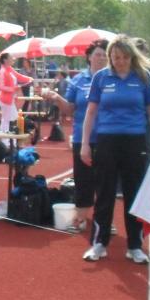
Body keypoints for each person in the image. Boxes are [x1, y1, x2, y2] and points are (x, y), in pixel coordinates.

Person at [80, 35, 150, 264]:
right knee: (104, 192)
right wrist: (85, 144)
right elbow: (91, 112)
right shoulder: (101, 77)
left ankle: (135, 246)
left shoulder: (143, 77)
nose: (120, 61)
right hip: (107, 140)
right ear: (110, 57)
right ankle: (99, 243)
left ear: (132, 56)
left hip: (134, 141)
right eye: (116, 57)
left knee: (133, 193)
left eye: (125, 57)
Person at [42, 39, 108, 232]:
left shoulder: (113, 78)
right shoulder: (78, 80)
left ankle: (104, 220)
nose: (102, 58)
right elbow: (69, 109)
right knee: (83, 179)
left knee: (106, 181)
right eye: (98, 54)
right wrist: (56, 98)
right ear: (89, 57)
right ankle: (81, 218)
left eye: (105, 55)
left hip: (107, 137)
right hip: (83, 138)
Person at [0, 52, 32, 132]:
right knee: (11, 119)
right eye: (10, 58)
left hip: (9, 99)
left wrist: (29, 79)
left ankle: (5, 137)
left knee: (6, 120)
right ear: (5, 60)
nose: (13, 59)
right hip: (5, 99)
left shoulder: (9, 69)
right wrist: (14, 88)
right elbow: (1, 87)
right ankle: (7, 136)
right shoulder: (2, 71)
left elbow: (19, 76)